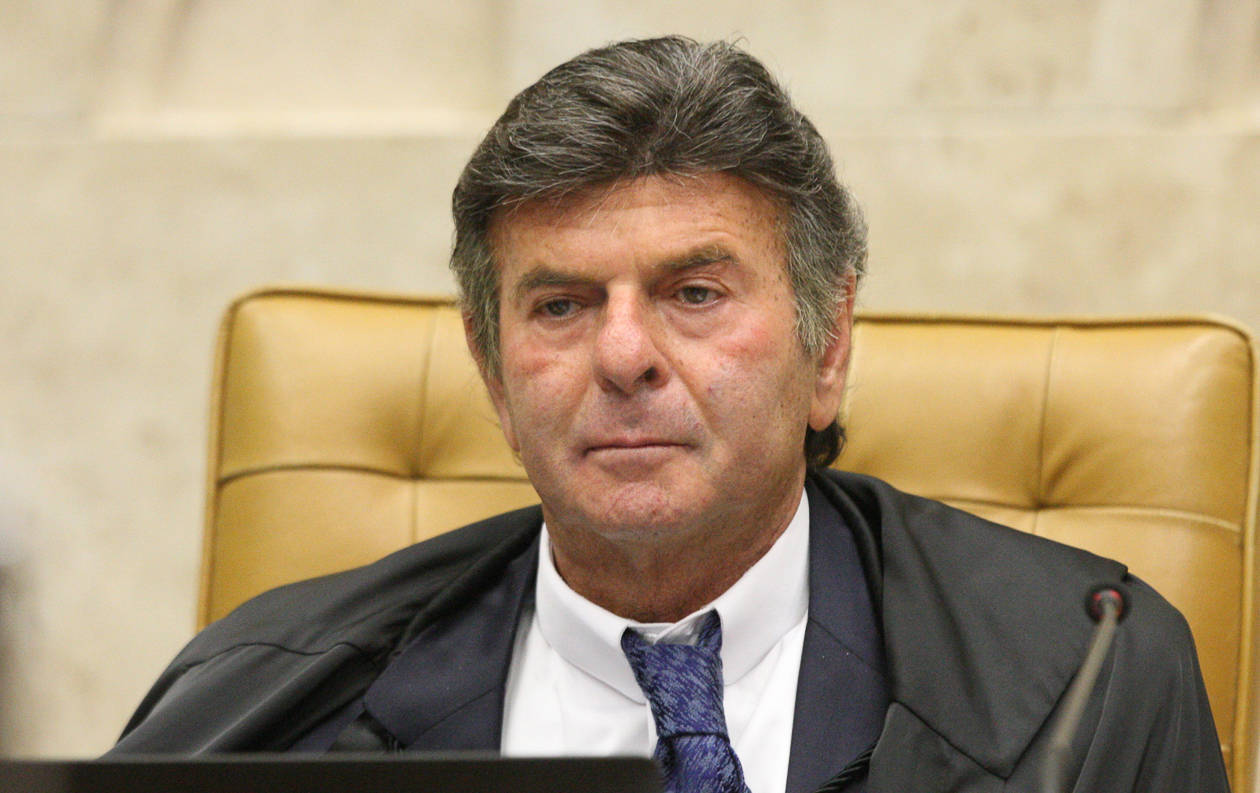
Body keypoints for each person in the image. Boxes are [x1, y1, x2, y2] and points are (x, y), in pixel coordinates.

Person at [110, 36, 1229, 792]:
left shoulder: (1089, 674)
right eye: (561, 304)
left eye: (694, 293)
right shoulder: (259, 701)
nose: (624, 355)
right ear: (493, 374)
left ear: (828, 344)